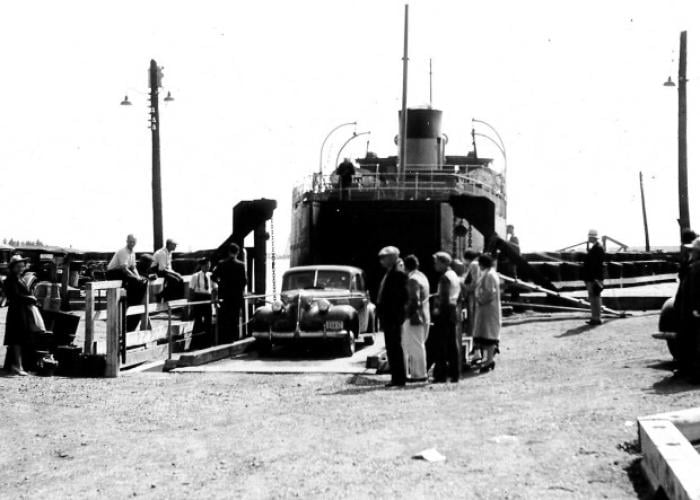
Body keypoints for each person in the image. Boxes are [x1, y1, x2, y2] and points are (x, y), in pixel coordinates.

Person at [376, 246, 408, 387]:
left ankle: (398, 378)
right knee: (391, 347)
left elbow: (400, 296)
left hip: (393, 316)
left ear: (392, 258)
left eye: (384, 258)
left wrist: (396, 314)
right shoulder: (390, 273)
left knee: (395, 347)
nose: (381, 261)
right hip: (388, 316)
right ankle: (396, 377)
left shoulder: (398, 274)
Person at [2, 255, 36, 376]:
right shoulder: (11, 280)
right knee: (16, 338)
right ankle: (17, 365)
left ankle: (12, 365)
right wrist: (30, 298)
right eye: (18, 266)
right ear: (13, 267)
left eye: (22, 265)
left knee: (19, 338)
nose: (21, 268)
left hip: (21, 310)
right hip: (16, 311)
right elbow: (14, 297)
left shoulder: (19, 278)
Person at [106, 234, 147, 331]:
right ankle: (130, 299)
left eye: (134, 242)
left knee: (142, 280)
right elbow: (124, 269)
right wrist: (135, 278)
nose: (132, 244)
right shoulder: (123, 252)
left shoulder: (133, 252)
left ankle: (134, 302)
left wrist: (138, 276)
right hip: (114, 273)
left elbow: (133, 267)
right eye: (130, 242)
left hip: (123, 272)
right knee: (134, 280)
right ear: (127, 241)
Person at [432, 251, 462, 383]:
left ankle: (441, 375)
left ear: (443, 263)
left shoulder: (444, 277)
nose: (435, 265)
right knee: (452, 344)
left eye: (436, 262)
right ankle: (455, 373)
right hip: (453, 309)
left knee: (441, 344)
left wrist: (436, 310)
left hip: (444, 312)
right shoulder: (454, 275)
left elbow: (443, 297)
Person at [401, 255, 430, 382]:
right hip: (425, 315)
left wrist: (406, 312)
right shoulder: (422, 276)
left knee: (414, 346)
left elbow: (414, 300)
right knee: (419, 345)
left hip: (414, 317)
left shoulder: (412, 280)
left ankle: (419, 374)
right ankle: (418, 373)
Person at [212, 243, 247, 343]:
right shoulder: (241, 265)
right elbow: (244, 281)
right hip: (236, 296)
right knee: (234, 317)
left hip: (224, 295)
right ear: (237, 252)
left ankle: (224, 339)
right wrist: (239, 289)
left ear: (228, 252)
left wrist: (220, 283)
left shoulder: (221, 263)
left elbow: (213, 277)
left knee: (224, 317)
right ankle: (233, 338)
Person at [473, 254, 501, 373]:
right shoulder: (491, 273)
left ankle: (489, 361)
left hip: (488, 309)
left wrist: (480, 300)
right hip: (487, 309)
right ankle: (488, 360)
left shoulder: (489, 275)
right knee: (486, 334)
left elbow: (490, 292)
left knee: (489, 336)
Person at [189, 258, 216, 348]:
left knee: (208, 320)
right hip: (198, 297)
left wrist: (214, 299)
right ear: (202, 266)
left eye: (209, 266)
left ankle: (208, 343)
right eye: (206, 266)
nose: (208, 267)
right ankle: (196, 343)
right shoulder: (195, 276)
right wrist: (191, 303)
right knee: (198, 321)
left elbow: (215, 288)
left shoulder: (211, 275)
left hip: (207, 298)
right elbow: (191, 290)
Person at [582, 229, 605, 326]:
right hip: (593, 277)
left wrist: (595, 278)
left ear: (592, 237)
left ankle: (596, 318)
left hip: (593, 278)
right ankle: (595, 317)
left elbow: (596, 264)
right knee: (594, 297)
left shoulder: (597, 248)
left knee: (595, 298)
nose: (588, 238)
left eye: (589, 237)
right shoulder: (596, 247)